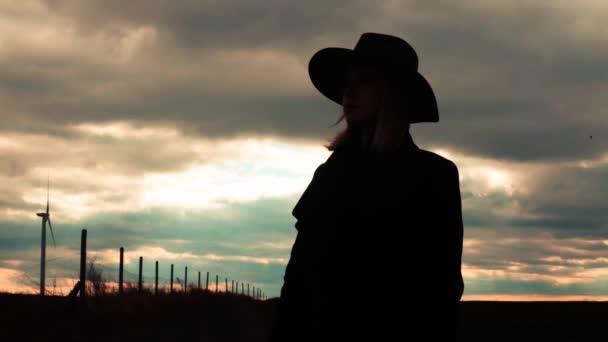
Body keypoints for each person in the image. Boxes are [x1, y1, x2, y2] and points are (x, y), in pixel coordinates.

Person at [268, 32, 464, 341]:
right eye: (347, 84)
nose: (348, 92)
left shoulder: (433, 175)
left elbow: (442, 287)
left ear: (393, 93)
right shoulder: (330, 174)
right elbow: (299, 277)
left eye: (364, 82)